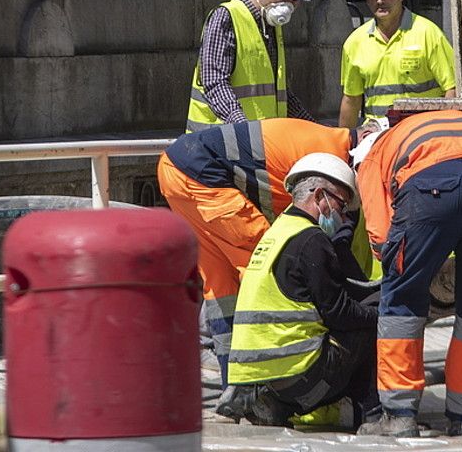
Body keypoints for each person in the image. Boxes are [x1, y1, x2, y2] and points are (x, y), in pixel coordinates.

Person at [156, 118, 368, 401]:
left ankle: (233, 386)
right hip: (201, 175)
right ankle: (249, 387)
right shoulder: (326, 161)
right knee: (267, 264)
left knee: (221, 288)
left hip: (177, 170)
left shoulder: (324, 142)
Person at [352, 110, 462, 438]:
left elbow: (381, 239)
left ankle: (399, 415)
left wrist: (413, 267)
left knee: (401, 294)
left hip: (434, 180)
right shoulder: (433, 126)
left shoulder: (372, 156)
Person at [227, 153, 380, 430]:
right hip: (300, 376)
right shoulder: (312, 240)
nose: (343, 215)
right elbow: (339, 313)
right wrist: (380, 317)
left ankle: (276, 404)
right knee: (367, 326)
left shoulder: (280, 231)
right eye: (341, 205)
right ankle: (370, 414)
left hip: (262, 376)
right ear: (320, 196)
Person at [187, 0, 317, 133]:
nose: (287, 5)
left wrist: (314, 129)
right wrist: (246, 131)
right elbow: (215, 83)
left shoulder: (273, 27)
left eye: (295, 0)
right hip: (216, 146)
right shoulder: (226, 17)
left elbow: (280, 95)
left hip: (255, 145)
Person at [338, 0, 456, 127]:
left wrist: (443, 132)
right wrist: (344, 144)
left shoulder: (428, 33)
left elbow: (452, 90)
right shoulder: (355, 42)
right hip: (377, 137)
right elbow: (351, 100)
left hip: (421, 135)